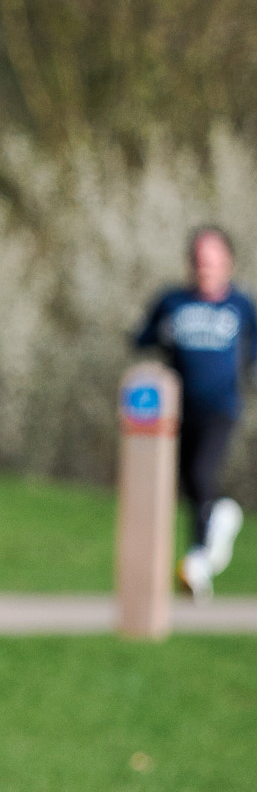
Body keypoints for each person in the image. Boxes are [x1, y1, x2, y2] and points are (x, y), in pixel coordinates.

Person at [135, 225, 256, 602]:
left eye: (212, 261)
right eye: (199, 261)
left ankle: (199, 559)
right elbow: (142, 340)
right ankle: (200, 563)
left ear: (227, 263)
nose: (205, 268)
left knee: (203, 474)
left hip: (221, 408)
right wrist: (159, 339)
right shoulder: (172, 303)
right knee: (190, 486)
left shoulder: (241, 307)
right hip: (176, 411)